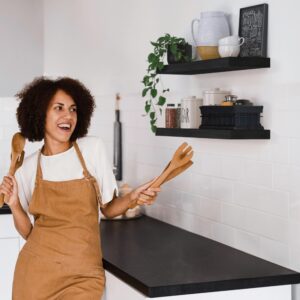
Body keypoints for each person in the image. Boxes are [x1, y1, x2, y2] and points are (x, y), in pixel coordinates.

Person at [0, 77, 160, 299]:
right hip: (35, 275)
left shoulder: (91, 149)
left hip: (84, 276)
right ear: (40, 114)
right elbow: (28, 232)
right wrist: (15, 204)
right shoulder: (27, 168)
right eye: (59, 108)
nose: (68, 116)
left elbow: (109, 208)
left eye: (73, 109)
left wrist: (133, 197)